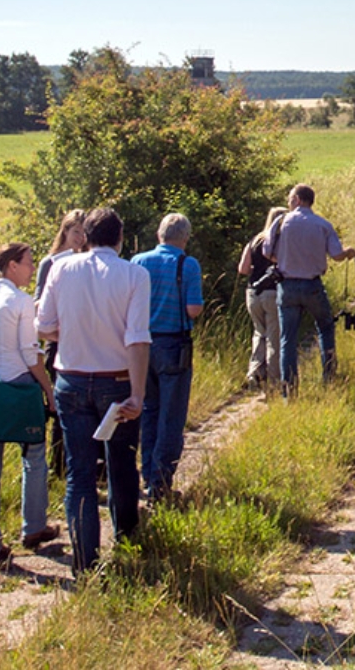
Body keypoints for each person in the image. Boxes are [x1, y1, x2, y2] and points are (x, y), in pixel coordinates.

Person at [36, 207, 150, 574]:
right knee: (121, 464)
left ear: (85, 236)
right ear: (120, 237)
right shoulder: (134, 274)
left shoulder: (61, 268)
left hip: (70, 377)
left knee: (79, 472)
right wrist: (138, 393)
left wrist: (69, 333)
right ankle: (127, 538)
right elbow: (136, 338)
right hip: (115, 380)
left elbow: (44, 325)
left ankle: (85, 562)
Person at [0, 242, 60, 565]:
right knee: (34, 454)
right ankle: (33, 526)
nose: (32, 269)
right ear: (11, 267)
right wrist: (49, 391)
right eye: (28, 263)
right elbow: (31, 354)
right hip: (18, 388)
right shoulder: (21, 302)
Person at [131, 212, 203, 500]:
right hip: (174, 346)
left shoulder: (138, 262)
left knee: (148, 410)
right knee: (171, 416)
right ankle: (161, 481)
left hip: (140, 346)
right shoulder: (188, 264)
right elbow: (193, 309)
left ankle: (147, 472)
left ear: (160, 234)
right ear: (184, 237)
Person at [265, 184, 355, 397]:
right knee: (325, 328)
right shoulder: (323, 225)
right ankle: (329, 378)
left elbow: (267, 251)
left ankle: (289, 390)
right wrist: (348, 253)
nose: (288, 203)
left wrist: (286, 259)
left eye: (290, 199)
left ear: (297, 199)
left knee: (287, 338)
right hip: (313, 285)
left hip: (286, 286)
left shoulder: (280, 222)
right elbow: (336, 255)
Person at [34, 210, 88, 478]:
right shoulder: (51, 262)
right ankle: (58, 464)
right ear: (65, 232)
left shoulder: (88, 261)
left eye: (83, 232)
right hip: (57, 341)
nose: (80, 238)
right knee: (59, 404)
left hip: (83, 340)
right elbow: (38, 303)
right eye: (75, 231)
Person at [237, 206, 288, 397]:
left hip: (252, 292)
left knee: (259, 332)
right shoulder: (280, 242)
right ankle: (274, 381)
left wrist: (255, 270)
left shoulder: (254, 240)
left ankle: (254, 373)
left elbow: (242, 269)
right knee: (274, 337)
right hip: (272, 293)